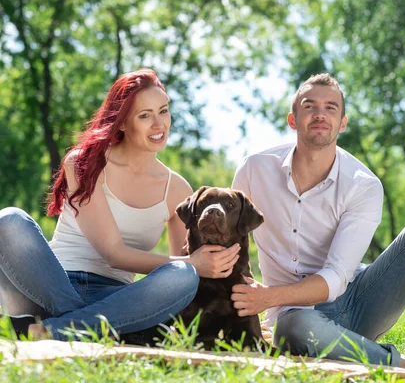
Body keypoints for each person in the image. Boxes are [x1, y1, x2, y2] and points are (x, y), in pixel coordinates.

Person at [230, 73, 405, 372]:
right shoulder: (254, 170)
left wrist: (267, 297)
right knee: (295, 324)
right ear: (293, 119)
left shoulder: (363, 184)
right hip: (294, 317)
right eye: (310, 106)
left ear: (342, 123)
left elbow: (335, 277)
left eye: (331, 107)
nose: (320, 114)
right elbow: (232, 240)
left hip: (359, 301)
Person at [0, 68, 241, 341]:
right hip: (53, 284)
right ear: (123, 123)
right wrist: (192, 262)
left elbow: (181, 270)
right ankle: (98, 326)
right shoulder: (84, 163)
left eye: (163, 111)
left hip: (118, 295)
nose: (159, 124)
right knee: (9, 220)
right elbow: (113, 252)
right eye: (145, 115)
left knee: (183, 276)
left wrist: (207, 270)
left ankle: (51, 328)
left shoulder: (177, 190)